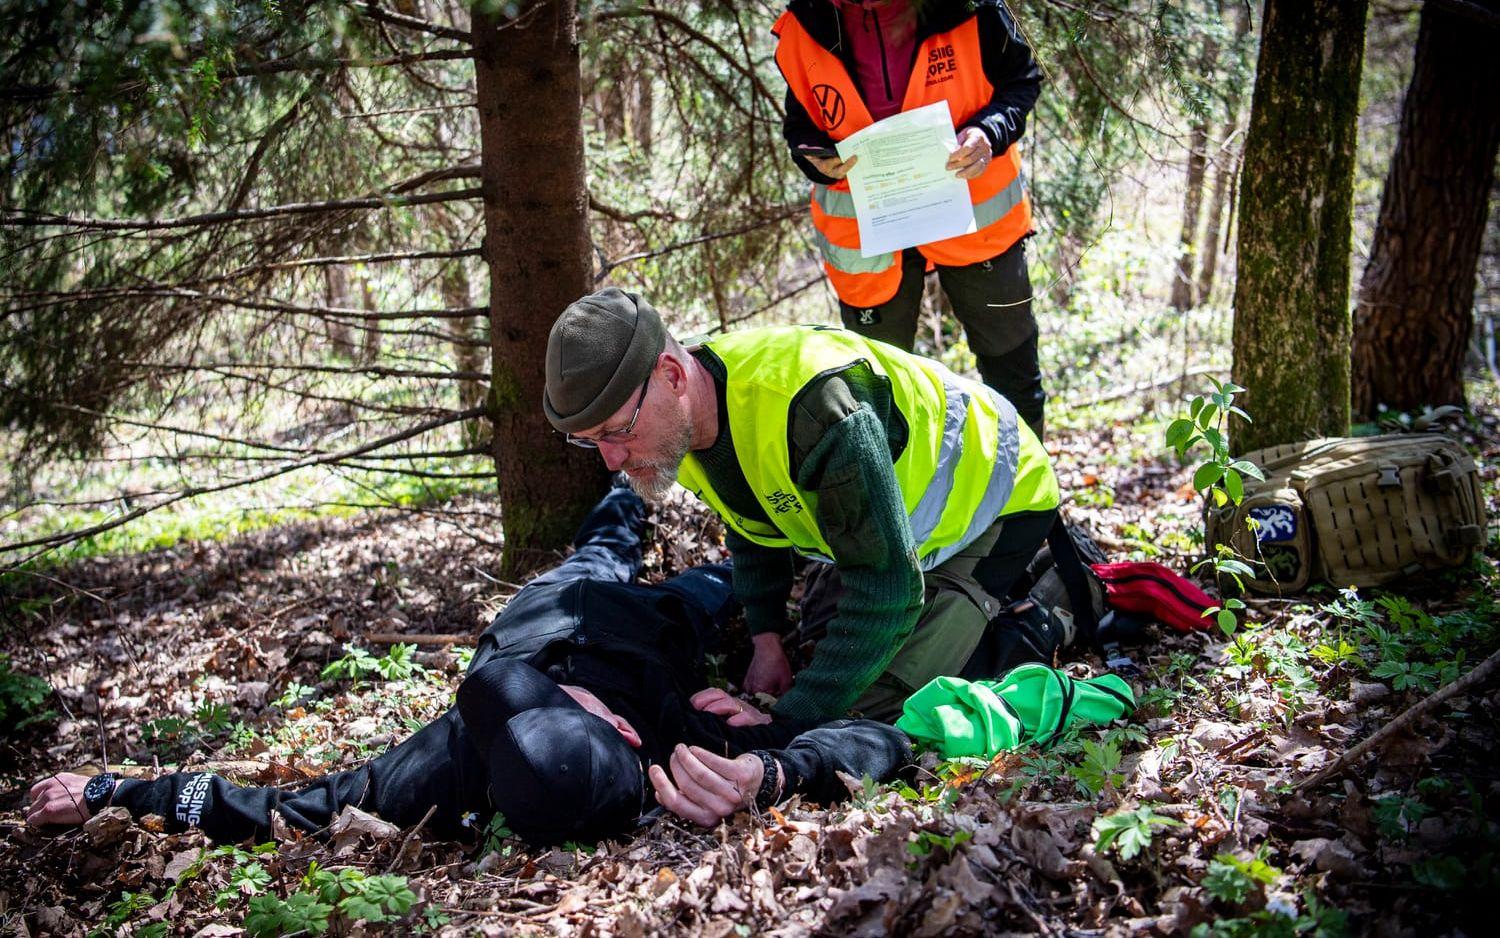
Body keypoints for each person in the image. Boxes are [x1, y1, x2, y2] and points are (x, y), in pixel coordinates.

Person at [26, 485, 911, 845]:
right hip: (650, 629)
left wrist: (114, 793)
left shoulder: (430, 778)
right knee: (722, 587)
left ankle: (622, 490)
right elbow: (876, 740)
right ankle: (679, 519)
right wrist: (773, 760)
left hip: (546, 612)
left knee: (598, 546)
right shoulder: (681, 752)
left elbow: (271, 811)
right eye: (599, 726)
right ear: (628, 739)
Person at [543, 288, 1066, 727]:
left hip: (998, 498)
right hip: (900, 528)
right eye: (591, 441)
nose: (612, 459)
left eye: (617, 430)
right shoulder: (682, 420)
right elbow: (751, 523)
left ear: (672, 376)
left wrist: (787, 725)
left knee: (881, 705)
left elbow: (888, 590)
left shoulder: (812, 404)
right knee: (824, 646)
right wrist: (766, 636)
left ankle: (1050, 597)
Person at [775, 0, 1047, 437]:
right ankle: (902, 501)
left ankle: (1029, 502)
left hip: (977, 221)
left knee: (1012, 372)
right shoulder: (809, 21)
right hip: (868, 235)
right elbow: (802, 122)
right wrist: (812, 157)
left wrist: (988, 132)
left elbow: (1021, 80)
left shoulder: (971, 7)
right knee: (879, 391)